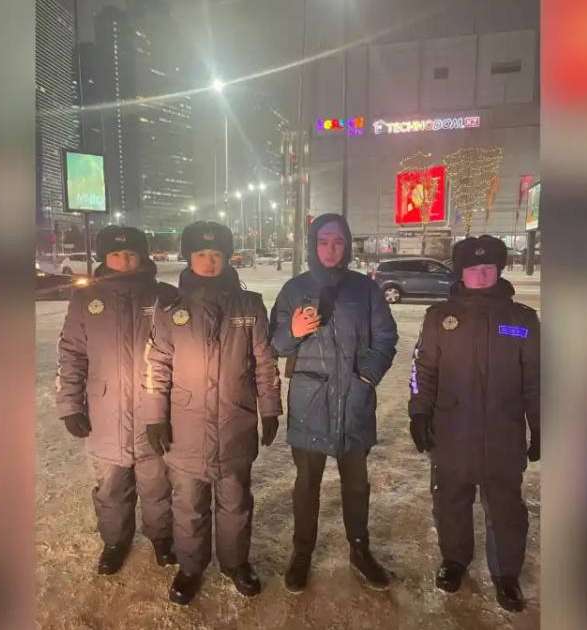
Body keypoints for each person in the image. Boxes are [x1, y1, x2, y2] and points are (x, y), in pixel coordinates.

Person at [139, 221, 282, 605]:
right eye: (201, 255)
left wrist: (269, 408)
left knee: (235, 502)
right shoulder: (171, 309)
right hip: (186, 429)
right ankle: (191, 566)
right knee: (189, 505)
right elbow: (157, 364)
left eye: (216, 255)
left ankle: (236, 563)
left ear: (227, 258)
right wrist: (155, 414)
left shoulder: (249, 306)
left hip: (235, 424)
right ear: (188, 257)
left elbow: (265, 362)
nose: (209, 262)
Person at [408, 235, 540, 611]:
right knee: (450, 500)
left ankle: (506, 574)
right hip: (451, 431)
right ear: (460, 273)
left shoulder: (522, 321)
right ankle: (454, 559)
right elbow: (423, 370)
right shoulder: (440, 318)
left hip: (503, 433)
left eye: (488, 268)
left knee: (506, 507)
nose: (481, 276)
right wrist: (419, 411)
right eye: (472, 269)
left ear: (499, 269)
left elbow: (536, 380)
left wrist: (541, 424)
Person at [268, 213, 399, 593]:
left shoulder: (366, 290)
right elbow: (274, 343)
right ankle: (302, 552)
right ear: (313, 244)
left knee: (356, 485)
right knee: (306, 484)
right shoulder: (294, 289)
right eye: (324, 241)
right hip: (310, 402)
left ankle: (360, 550)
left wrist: (366, 377)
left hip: (355, 403)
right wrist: (292, 332)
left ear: (347, 244)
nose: (331, 248)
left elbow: (386, 338)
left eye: (338, 241)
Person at [56, 226, 179, 574]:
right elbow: (71, 354)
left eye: (130, 254)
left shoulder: (163, 296)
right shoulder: (86, 299)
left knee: (157, 483)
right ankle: (115, 540)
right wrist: (70, 404)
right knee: (111, 487)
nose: (123, 261)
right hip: (104, 414)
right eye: (115, 254)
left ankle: (162, 538)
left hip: (154, 413)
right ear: (104, 258)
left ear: (142, 256)